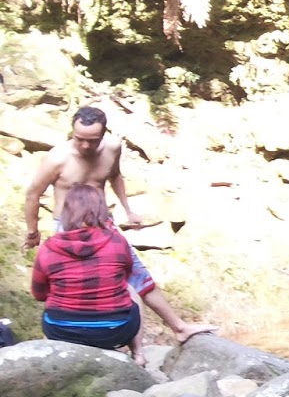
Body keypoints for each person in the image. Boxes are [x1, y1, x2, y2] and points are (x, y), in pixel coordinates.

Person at [22, 106, 216, 342]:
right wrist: (33, 231)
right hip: (67, 226)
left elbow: (115, 176)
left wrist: (127, 209)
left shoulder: (112, 147)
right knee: (69, 279)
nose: (84, 146)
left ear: (103, 135)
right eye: (79, 139)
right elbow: (33, 194)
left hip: (103, 222)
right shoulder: (57, 158)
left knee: (138, 274)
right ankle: (66, 334)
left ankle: (178, 327)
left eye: (91, 141)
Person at [31, 185, 143, 359]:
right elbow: (126, 276)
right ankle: (138, 354)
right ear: (101, 211)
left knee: (52, 307)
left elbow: (39, 294)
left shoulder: (48, 248)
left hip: (61, 331)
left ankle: (53, 359)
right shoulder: (117, 241)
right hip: (114, 331)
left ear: (66, 212)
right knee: (131, 290)